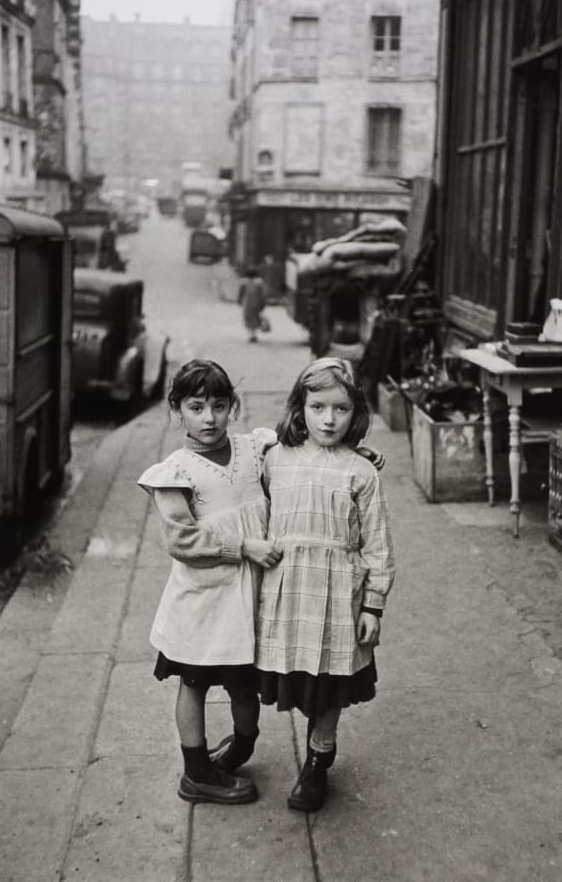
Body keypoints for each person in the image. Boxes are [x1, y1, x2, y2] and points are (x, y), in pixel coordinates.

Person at [137, 359, 282, 806]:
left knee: (244, 681)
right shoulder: (175, 472)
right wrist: (242, 547)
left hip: (248, 597)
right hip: (202, 599)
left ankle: (241, 744)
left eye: (220, 406)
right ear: (177, 408)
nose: (209, 417)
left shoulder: (254, 451)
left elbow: (302, 452)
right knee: (195, 681)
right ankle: (196, 771)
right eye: (196, 406)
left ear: (233, 408)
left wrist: (355, 454)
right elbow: (182, 539)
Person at [256, 357, 395, 812]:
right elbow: (238, 462)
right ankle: (264, 741)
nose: (329, 419)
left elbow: (378, 543)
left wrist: (373, 605)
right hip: (288, 592)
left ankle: (319, 756)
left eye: (341, 409)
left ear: (356, 413)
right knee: (297, 679)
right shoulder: (273, 458)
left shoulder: (361, 472)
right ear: (300, 408)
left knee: (330, 681)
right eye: (318, 407)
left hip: (338, 594)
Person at [237, 266, 267, 343]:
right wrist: (263, 303)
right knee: (255, 318)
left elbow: (241, 292)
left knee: (248, 318)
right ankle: (254, 335)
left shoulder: (244, 282)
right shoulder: (260, 282)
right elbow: (263, 294)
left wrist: (239, 300)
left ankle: (251, 335)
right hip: (257, 302)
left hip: (247, 303)